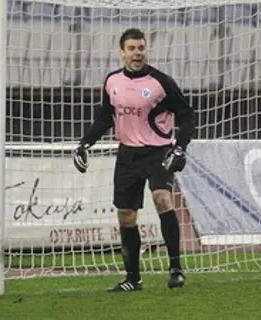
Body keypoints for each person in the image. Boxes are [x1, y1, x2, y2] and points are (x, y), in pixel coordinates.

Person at [73, 28, 195, 292]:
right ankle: (133, 279)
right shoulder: (112, 81)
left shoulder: (161, 82)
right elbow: (105, 117)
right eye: (132, 48)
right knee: (126, 216)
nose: (137, 53)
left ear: (145, 50)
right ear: (122, 52)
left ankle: (175, 268)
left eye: (141, 48)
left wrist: (181, 148)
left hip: (158, 152)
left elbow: (187, 115)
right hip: (127, 154)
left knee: (162, 197)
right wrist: (85, 143)